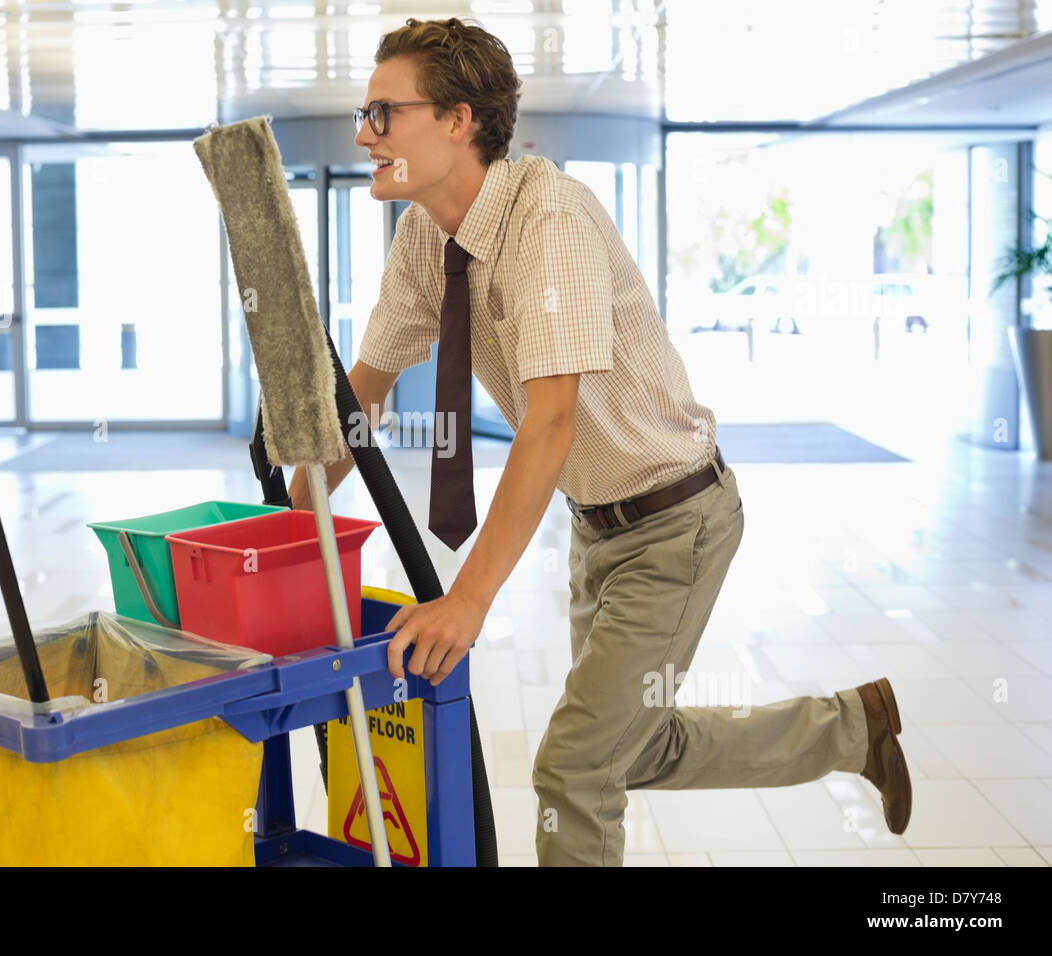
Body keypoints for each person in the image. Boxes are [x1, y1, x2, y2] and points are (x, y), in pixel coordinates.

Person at [288, 16, 910, 867]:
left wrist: (467, 601)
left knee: (575, 770)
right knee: (634, 749)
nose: (364, 133)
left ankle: (848, 730)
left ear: (459, 119)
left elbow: (549, 422)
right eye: (365, 114)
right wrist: (291, 519)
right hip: (597, 527)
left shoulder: (552, 218)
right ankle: (852, 730)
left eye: (384, 112)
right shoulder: (423, 240)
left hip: (677, 519)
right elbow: (361, 398)